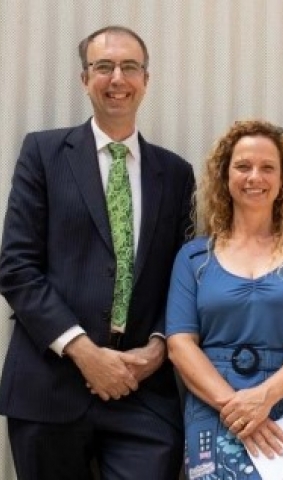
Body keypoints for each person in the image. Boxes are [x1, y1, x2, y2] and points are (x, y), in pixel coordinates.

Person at [0, 25, 195, 479]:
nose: (117, 78)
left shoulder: (175, 173)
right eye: (103, 66)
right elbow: (16, 267)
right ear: (84, 78)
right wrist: (84, 352)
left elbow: (183, 276)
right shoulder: (44, 153)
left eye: (129, 67)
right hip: (49, 385)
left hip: (142, 391)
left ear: (146, 78)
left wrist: (159, 348)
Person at [166, 120, 283, 480]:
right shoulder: (193, 258)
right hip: (214, 408)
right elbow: (180, 344)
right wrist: (235, 407)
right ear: (225, 176)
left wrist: (265, 398)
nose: (254, 177)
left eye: (267, 168)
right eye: (243, 166)